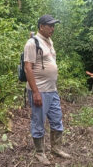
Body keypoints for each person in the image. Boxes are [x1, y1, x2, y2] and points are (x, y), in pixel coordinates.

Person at [24, 14, 71, 165]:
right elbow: (28, 68)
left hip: (52, 89)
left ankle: (56, 148)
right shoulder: (32, 43)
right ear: (41, 26)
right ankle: (39, 152)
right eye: (49, 25)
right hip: (40, 90)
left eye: (54, 25)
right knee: (39, 121)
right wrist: (35, 92)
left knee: (57, 119)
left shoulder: (49, 41)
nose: (52, 28)